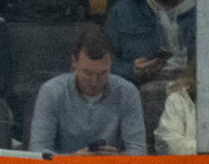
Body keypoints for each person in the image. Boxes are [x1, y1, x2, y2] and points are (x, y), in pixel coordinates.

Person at [27, 24, 145, 156]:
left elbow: (138, 149)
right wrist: (73, 159)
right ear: (74, 63)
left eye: (102, 73)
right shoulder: (51, 91)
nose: (94, 82)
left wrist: (118, 159)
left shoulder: (127, 92)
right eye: (87, 73)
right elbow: (38, 150)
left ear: (111, 64)